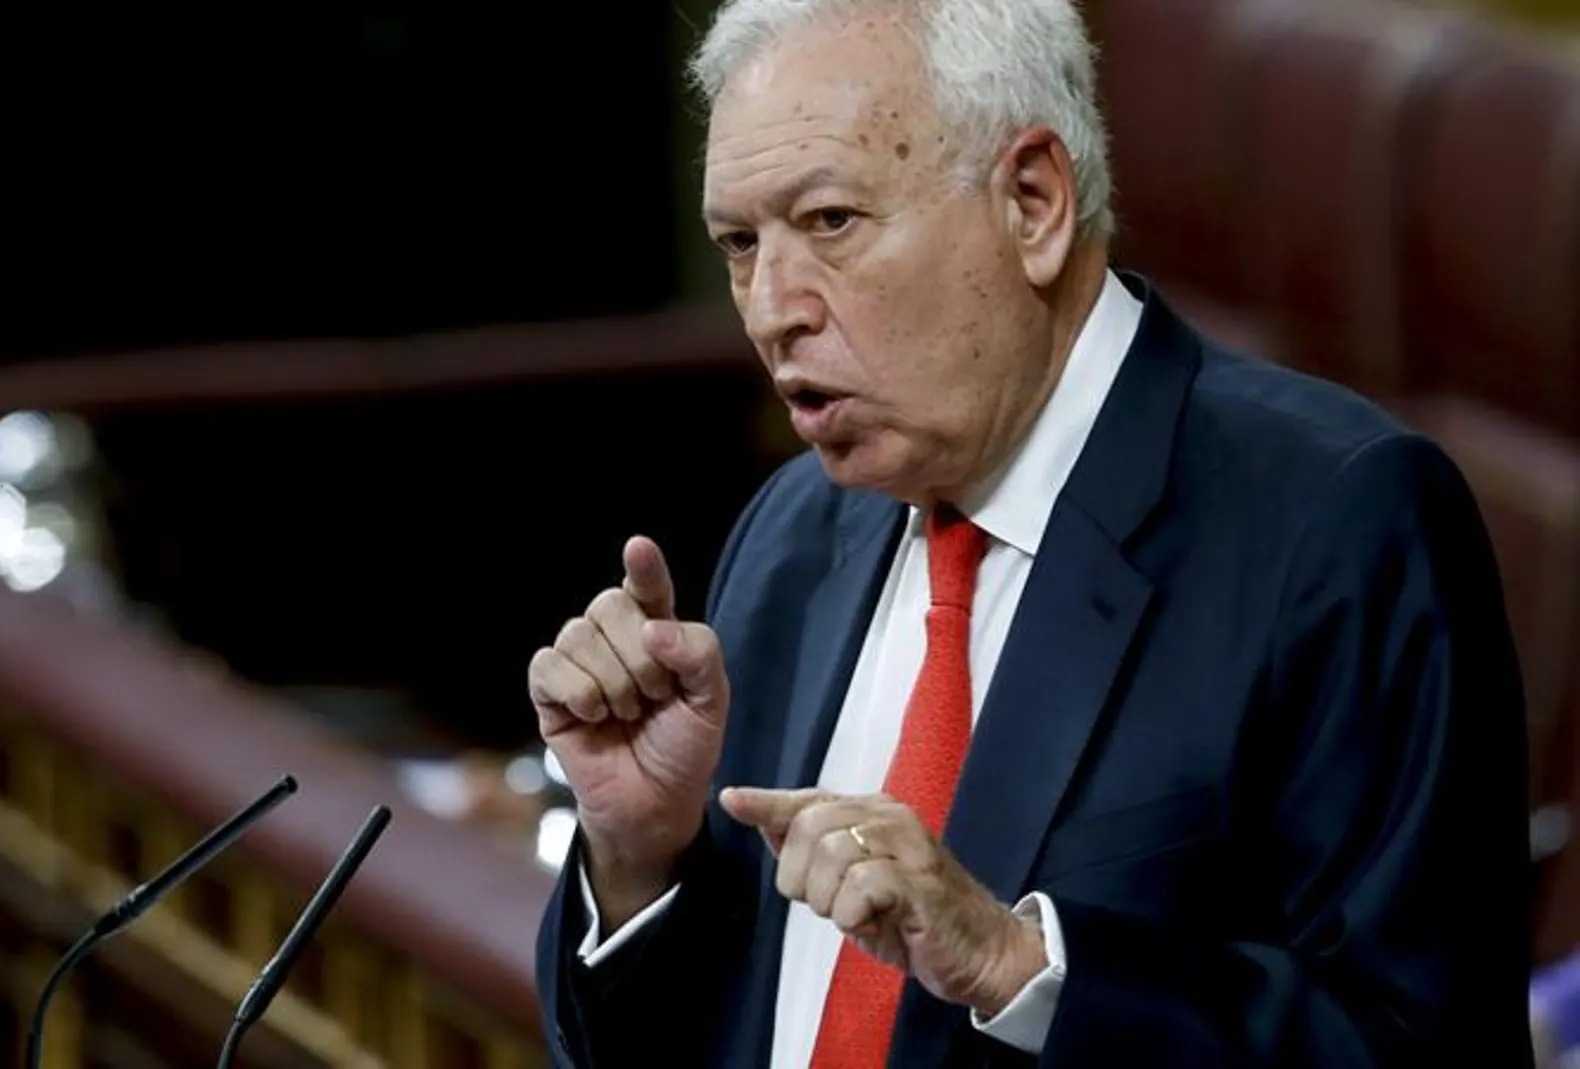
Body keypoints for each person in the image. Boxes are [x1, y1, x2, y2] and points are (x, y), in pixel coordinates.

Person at [528, 0, 1531, 1066]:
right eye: (738, 243)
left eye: (828, 222)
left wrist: (1021, 968)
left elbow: (1418, 1043)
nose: (772, 305)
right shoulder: (792, 536)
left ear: (1033, 202)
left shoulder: (1335, 526)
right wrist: (637, 861)